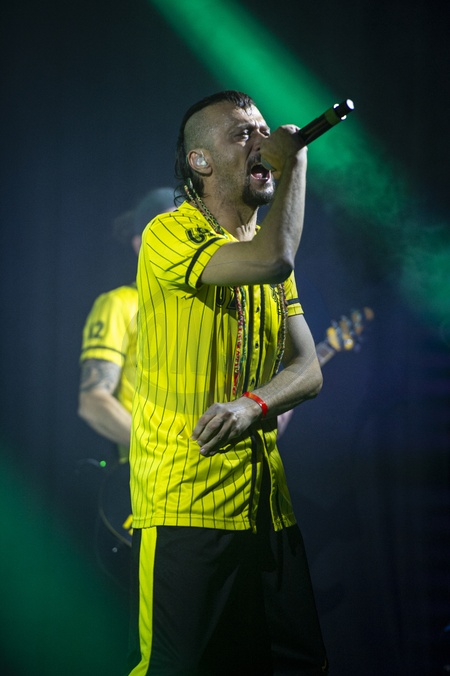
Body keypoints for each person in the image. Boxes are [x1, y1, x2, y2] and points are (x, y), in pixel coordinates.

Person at [128, 90, 329, 675]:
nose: (263, 140)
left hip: (268, 509)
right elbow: (274, 259)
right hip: (186, 506)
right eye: (243, 133)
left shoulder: (264, 246)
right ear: (201, 161)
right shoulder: (169, 233)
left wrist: (253, 404)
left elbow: (308, 368)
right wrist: (295, 161)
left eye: (264, 129)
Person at [78, 188, 175, 464]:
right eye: (167, 231)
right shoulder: (119, 304)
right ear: (139, 244)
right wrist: (162, 452)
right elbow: (93, 401)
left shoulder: (217, 303)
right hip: (153, 477)